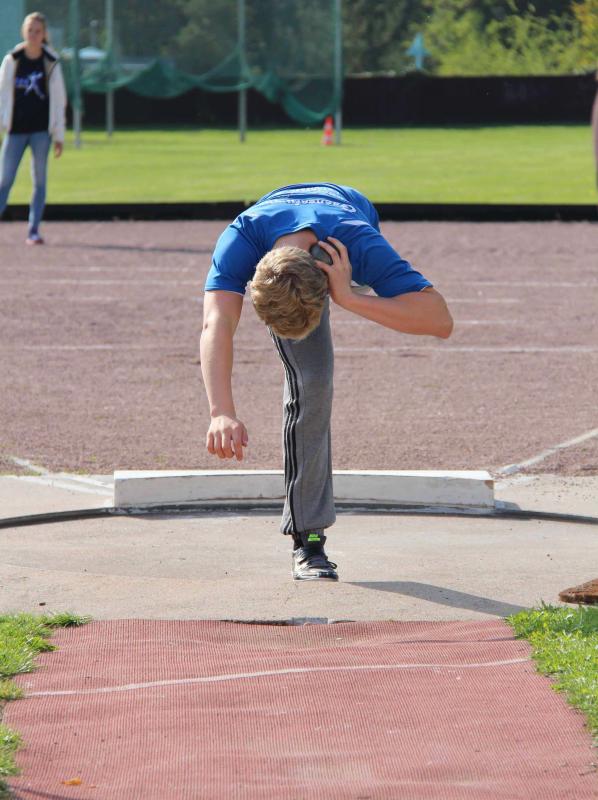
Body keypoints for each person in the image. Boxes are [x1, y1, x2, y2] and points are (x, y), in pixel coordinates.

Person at [200, 183, 453, 581]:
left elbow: (439, 320)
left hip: (347, 216)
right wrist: (221, 411)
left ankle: (308, 534)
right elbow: (216, 322)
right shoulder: (240, 239)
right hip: (277, 239)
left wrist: (350, 298)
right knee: (312, 380)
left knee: (314, 378)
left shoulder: (359, 243)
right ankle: (308, 537)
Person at [0, 11, 66, 245]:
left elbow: (59, 99)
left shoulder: (51, 61)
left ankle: (33, 230)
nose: (33, 35)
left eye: (38, 31)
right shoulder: (12, 60)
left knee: (39, 181)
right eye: (30, 30)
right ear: (23, 32)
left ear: (44, 34)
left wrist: (59, 135)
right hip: (15, 130)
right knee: (4, 180)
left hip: (40, 132)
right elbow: (2, 94)